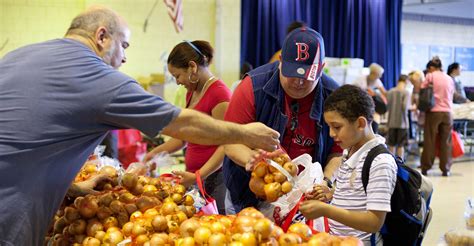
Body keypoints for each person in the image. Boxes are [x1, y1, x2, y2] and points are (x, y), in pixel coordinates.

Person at [0, 7, 280, 245]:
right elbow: (180, 124)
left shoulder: (16, 57)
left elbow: (28, 145)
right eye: (124, 46)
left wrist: (73, 189)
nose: (124, 58)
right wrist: (245, 132)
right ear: (101, 36)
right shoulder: (97, 77)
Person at [223, 27, 342, 213]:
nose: (299, 82)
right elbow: (230, 140)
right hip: (248, 194)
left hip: (304, 200)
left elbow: (338, 151)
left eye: (307, 77)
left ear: (321, 68)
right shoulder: (252, 87)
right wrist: (256, 163)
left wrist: (325, 181)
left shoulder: (334, 97)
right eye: (292, 74)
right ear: (280, 61)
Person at [299, 84, 397, 245]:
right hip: (337, 239)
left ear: (360, 123)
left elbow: (374, 222)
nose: (331, 134)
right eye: (329, 127)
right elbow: (357, 196)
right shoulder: (350, 151)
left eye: (337, 127)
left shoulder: (380, 163)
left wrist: (326, 210)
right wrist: (330, 194)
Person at [143, 40, 231, 214]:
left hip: (216, 179)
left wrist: (200, 175)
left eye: (177, 76)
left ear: (192, 67)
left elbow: (228, 144)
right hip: (196, 177)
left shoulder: (219, 94)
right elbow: (184, 136)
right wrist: (154, 153)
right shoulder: (192, 92)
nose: (177, 82)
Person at [420, 57, 455, 177]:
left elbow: (422, 89)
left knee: (430, 140)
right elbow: (451, 95)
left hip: (434, 112)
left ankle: (425, 167)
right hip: (448, 113)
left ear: (430, 68)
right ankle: (446, 169)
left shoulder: (430, 76)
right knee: (446, 141)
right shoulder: (449, 78)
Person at [352, 63, 387, 133]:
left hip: (368, 105)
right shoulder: (360, 80)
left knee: (374, 121)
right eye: (378, 75)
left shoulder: (376, 80)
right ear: (373, 73)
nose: (380, 77)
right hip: (359, 104)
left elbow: (384, 92)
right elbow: (354, 93)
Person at [386, 75, 411, 159]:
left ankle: (391, 163)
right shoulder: (406, 92)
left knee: (391, 145)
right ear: (406, 81)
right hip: (402, 123)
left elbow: (388, 106)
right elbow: (405, 107)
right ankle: (400, 164)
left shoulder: (390, 92)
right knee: (401, 146)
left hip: (391, 122)